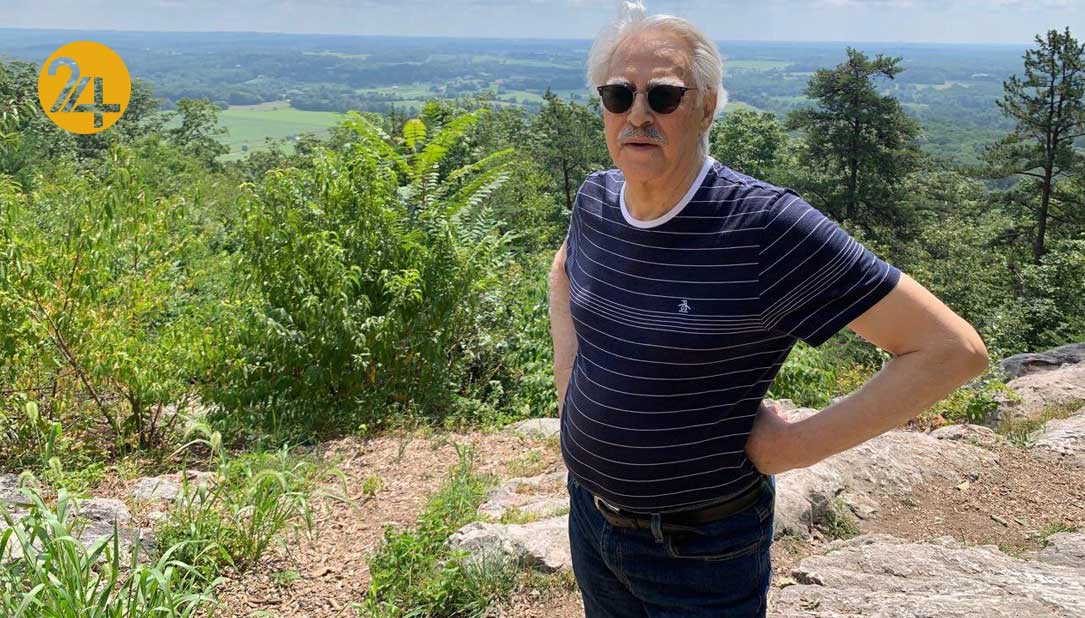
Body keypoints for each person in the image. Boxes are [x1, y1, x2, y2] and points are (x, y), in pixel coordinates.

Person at [547, 2, 989, 616]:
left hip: (697, 551)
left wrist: (793, 448)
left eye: (664, 96)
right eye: (619, 95)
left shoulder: (763, 227)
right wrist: (570, 391)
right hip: (591, 519)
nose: (638, 114)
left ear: (706, 107)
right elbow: (564, 271)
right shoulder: (597, 200)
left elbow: (949, 350)